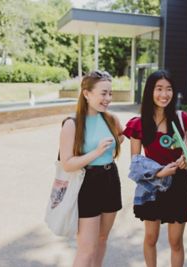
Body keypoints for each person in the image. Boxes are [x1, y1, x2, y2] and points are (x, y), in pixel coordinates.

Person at [123, 70, 187, 267]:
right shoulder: (138, 124)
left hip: (179, 185)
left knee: (175, 242)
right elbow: (136, 163)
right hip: (151, 186)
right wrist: (159, 173)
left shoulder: (182, 120)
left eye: (169, 89)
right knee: (150, 238)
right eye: (159, 89)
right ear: (150, 91)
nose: (164, 94)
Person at [59, 70, 124, 267]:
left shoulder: (110, 119)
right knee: (86, 249)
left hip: (111, 179)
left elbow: (120, 136)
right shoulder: (72, 124)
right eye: (103, 93)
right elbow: (67, 163)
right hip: (87, 183)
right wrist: (95, 153)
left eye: (110, 93)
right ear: (87, 94)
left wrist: (113, 145)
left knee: (102, 239)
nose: (108, 98)